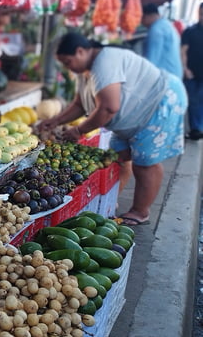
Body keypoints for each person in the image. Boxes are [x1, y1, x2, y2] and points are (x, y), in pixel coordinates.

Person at [40, 31, 187, 226]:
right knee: (119, 154)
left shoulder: (104, 62)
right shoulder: (86, 71)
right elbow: (80, 104)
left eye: (68, 62)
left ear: (81, 51)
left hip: (159, 103)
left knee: (145, 162)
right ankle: (111, 199)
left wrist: (79, 130)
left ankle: (140, 211)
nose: (69, 68)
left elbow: (109, 107)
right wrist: (56, 120)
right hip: (135, 114)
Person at [141, 3, 183, 77]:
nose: (141, 22)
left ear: (149, 16)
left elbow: (151, 61)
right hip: (176, 75)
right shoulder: (167, 25)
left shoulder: (156, 30)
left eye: (142, 18)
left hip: (166, 77)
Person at [181, 2, 203, 139]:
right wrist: (185, 69)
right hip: (192, 74)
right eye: (201, 14)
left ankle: (198, 127)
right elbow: (183, 51)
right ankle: (196, 129)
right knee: (193, 102)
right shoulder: (190, 31)